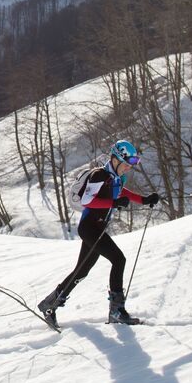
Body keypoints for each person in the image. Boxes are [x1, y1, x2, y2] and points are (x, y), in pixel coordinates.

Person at [38, 140, 160, 327]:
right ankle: (117, 311)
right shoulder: (99, 175)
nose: (128, 168)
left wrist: (143, 200)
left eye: (130, 165)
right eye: (126, 164)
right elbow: (88, 201)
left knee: (82, 271)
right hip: (90, 227)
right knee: (119, 260)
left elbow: (120, 192)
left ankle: (49, 304)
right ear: (115, 159)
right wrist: (114, 203)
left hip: (97, 227)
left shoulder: (116, 178)